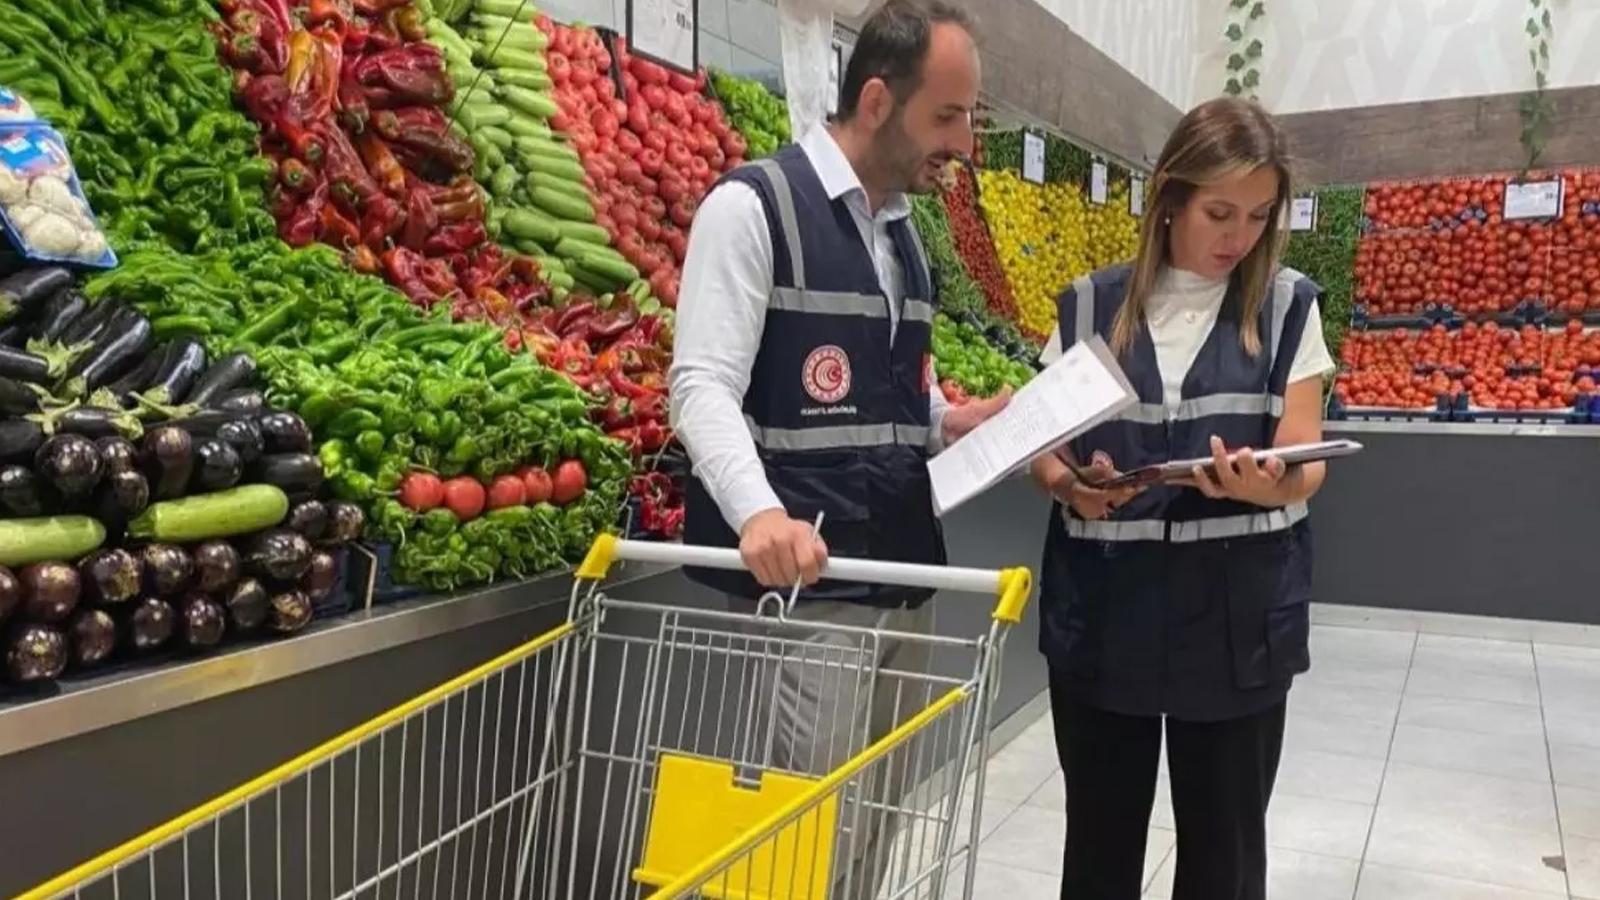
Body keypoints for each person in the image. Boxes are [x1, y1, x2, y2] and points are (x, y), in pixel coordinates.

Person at [668, 0, 1007, 894]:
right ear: (874, 102)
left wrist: (946, 420)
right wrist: (760, 514)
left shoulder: (903, 234)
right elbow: (700, 384)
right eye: (947, 116)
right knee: (794, 837)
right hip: (811, 588)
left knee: (875, 821)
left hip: (908, 573)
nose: (964, 142)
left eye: (970, 117)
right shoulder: (753, 208)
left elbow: (894, 385)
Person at [1028, 97, 1337, 900]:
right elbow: (1041, 447)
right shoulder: (1089, 306)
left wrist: (1271, 479)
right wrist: (1070, 484)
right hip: (1106, 618)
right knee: (1098, 848)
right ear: (1170, 198)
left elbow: (1310, 457)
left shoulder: (1289, 308)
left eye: (1260, 216)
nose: (1237, 237)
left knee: (1225, 857)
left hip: (1236, 624)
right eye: (1219, 212)